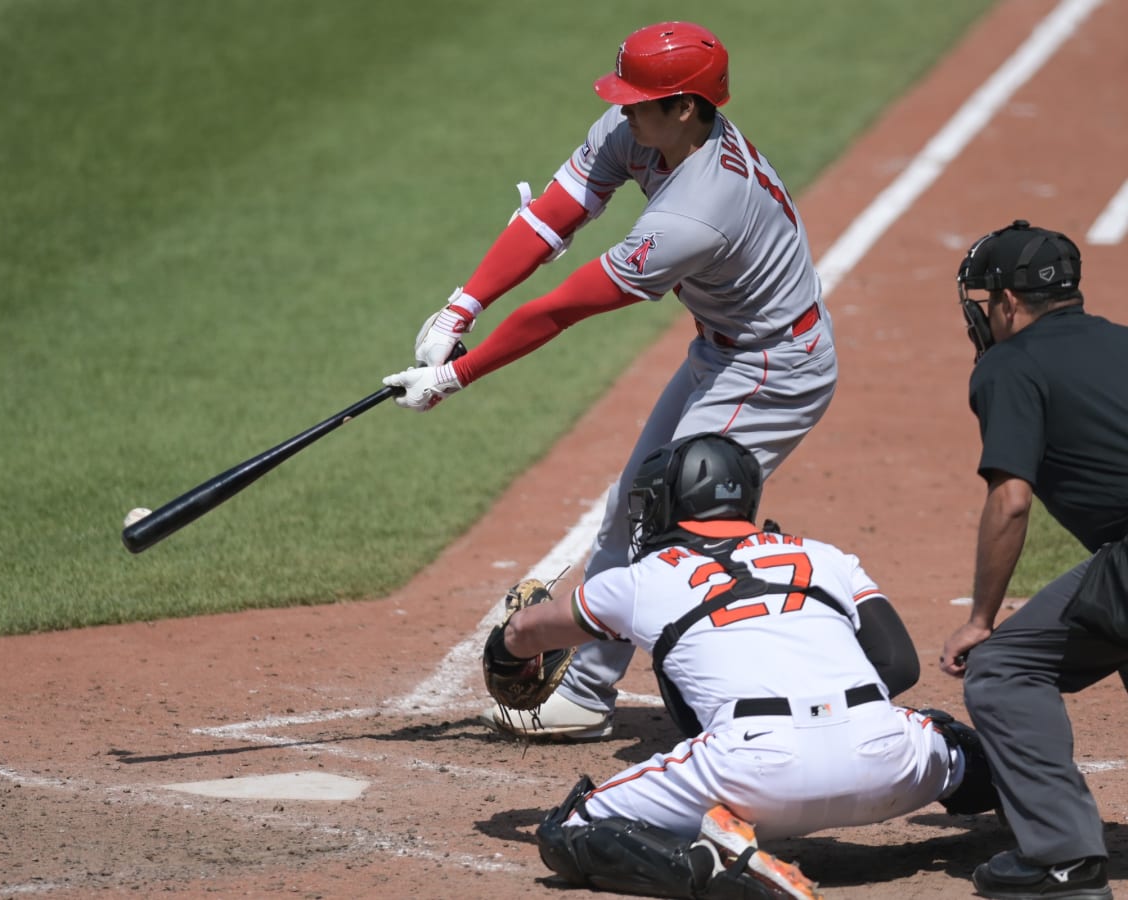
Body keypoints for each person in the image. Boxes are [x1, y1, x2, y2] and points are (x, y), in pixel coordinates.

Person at [383, 21, 837, 740]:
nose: (623, 112)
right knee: (639, 499)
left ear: (685, 107)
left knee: (675, 519)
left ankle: (762, 675)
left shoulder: (699, 210)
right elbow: (552, 217)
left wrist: (455, 377)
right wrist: (459, 307)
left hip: (774, 365)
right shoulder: (648, 129)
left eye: (639, 101)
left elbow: (562, 309)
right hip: (722, 352)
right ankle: (590, 694)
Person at [488, 432, 996, 899]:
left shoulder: (638, 580)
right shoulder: (824, 556)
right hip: (893, 764)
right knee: (955, 743)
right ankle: (1044, 824)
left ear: (670, 501)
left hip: (752, 774)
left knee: (569, 830)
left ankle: (713, 864)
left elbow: (525, 633)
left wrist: (506, 657)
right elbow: (898, 664)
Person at [939, 220, 1127, 900]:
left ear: (1009, 302)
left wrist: (980, 619)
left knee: (1002, 669)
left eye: (986, 301)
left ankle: (1063, 862)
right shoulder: (1121, 341)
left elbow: (1011, 501)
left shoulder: (1008, 364)